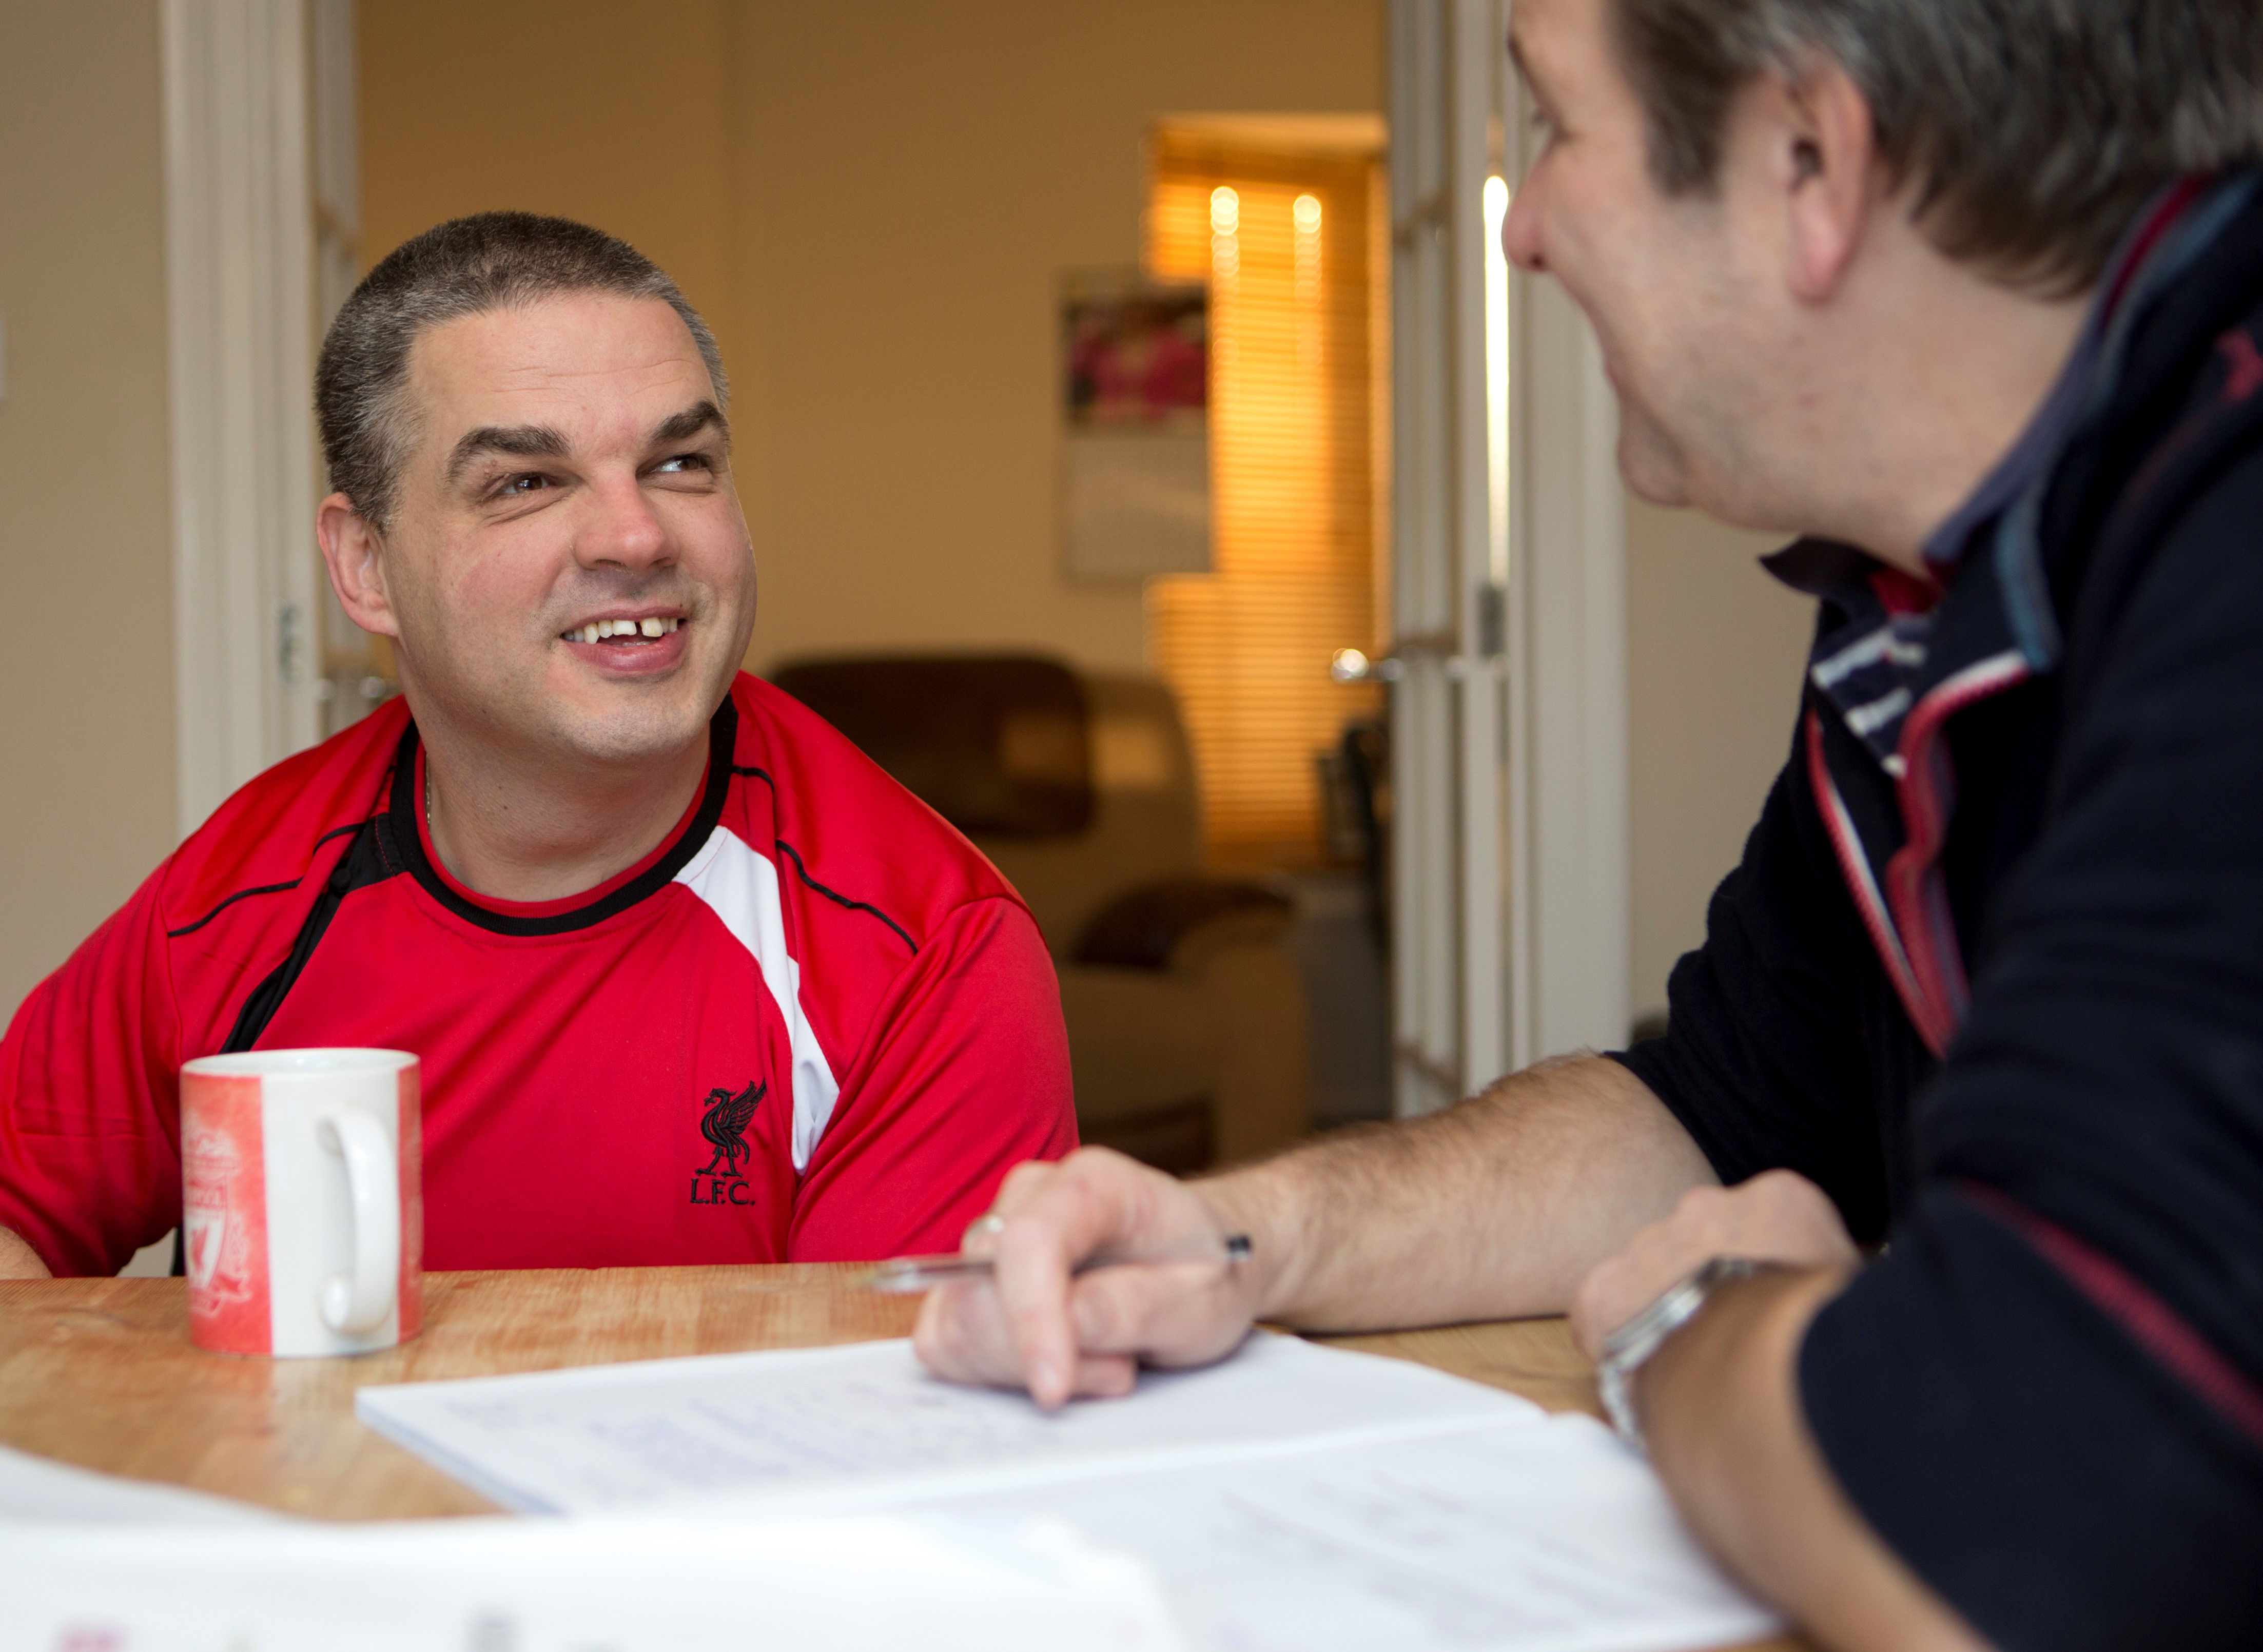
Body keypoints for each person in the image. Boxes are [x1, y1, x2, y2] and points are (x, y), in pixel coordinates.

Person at [914, 1, 2263, 1646]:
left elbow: (2015, 1512)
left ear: (1805, 161)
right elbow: (1703, 1115)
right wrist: (1244, 1236)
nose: (1523, 222)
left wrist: (1697, 1323)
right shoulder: (1921, 603)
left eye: (1554, 125)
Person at [0, 213, 1075, 1279]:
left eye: (681, 461)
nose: (636, 534)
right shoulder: (242, 900)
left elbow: (896, 1419)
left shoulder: (923, 950)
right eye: (526, 481)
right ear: (367, 564)